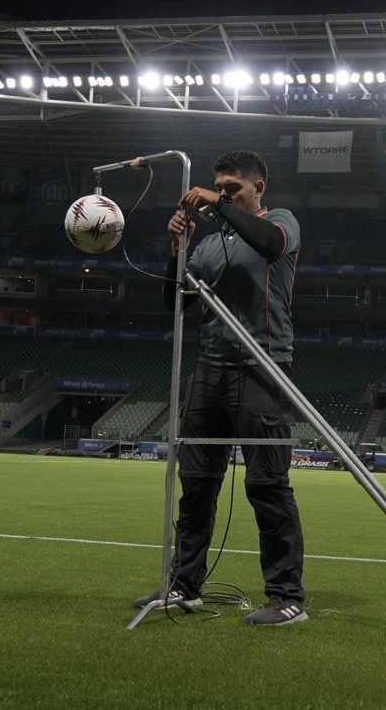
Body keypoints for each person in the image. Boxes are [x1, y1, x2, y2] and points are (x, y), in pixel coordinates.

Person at [134, 150, 307, 625]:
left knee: (267, 485)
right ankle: (185, 586)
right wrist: (178, 254)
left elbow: (271, 244)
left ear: (259, 189)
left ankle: (287, 597)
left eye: (234, 188)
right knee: (197, 486)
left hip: (264, 370)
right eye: (220, 187)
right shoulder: (210, 245)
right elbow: (175, 302)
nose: (224, 196)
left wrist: (218, 202)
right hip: (209, 371)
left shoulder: (280, 223)